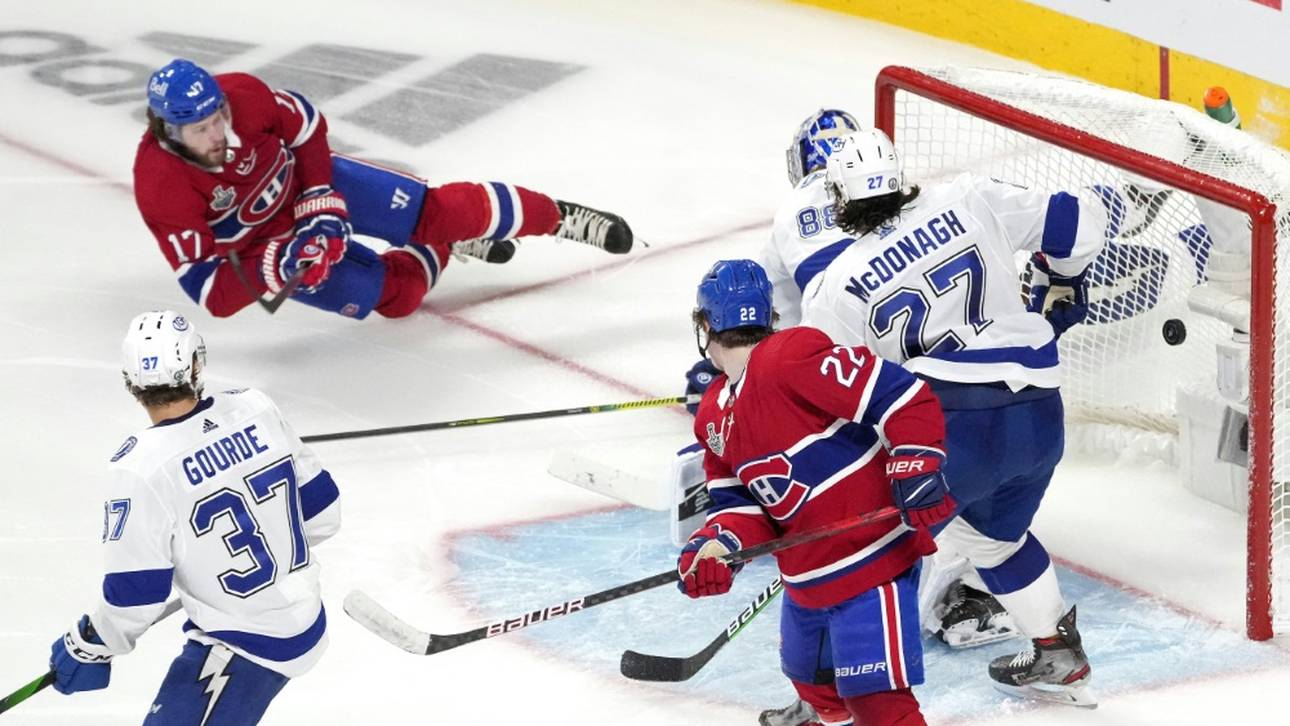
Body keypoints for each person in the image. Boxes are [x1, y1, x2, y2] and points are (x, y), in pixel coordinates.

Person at [797, 129, 1113, 707]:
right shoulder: (968, 197)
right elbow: (1075, 222)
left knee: (867, 553)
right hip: (1040, 414)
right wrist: (1064, 277)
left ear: (839, 201)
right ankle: (1057, 652)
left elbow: (831, 397)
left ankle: (831, 696)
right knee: (994, 539)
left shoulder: (836, 287)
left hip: (953, 430)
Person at [134, 58, 633, 320]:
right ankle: (441, 248)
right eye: (200, 130)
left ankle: (557, 217)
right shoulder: (161, 187)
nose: (218, 133)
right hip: (269, 247)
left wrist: (317, 200)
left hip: (311, 186)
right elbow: (209, 292)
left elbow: (306, 126)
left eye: (217, 116)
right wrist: (278, 263)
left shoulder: (242, 95)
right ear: (167, 133)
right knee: (397, 299)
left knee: (438, 210)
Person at [678, 259, 955, 726]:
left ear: (705, 325)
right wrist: (716, 545)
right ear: (768, 316)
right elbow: (740, 505)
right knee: (813, 683)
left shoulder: (790, 356)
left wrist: (916, 459)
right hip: (806, 581)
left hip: (872, 562)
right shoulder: (712, 413)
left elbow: (900, 396)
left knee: (878, 704)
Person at [48, 310, 341, 724]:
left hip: (249, 643)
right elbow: (324, 516)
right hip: (306, 619)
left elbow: (136, 597)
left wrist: (92, 643)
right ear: (195, 364)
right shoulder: (255, 406)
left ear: (130, 381)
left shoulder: (140, 468)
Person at [684, 109, 860, 413]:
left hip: (844, 367)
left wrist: (735, 368)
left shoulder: (801, 201)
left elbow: (832, 299)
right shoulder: (889, 194)